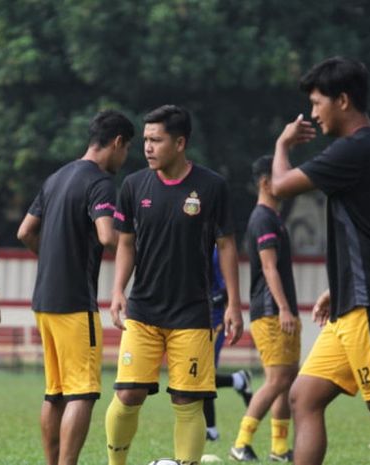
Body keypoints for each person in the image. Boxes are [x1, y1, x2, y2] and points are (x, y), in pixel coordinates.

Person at [270, 57, 370, 465]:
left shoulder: (357, 149)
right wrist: (335, 286)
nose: (313, 114)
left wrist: (282, 144)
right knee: (303, 396)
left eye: (318, 102)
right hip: (352, 301)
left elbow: (281, 186)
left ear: (342, 100)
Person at [105, 105, 243, 465]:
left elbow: (227, 245)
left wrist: (233, 304)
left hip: (193, 313)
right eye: (146, 139)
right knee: (128, 394)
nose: (147, 147)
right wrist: (118, 290)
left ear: (180, 142)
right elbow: (125, 243)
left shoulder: (212, 187)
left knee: (187, 400)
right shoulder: (134, 185)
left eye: (156, 140)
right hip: (143, 310)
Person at [17, 109, 134, 465]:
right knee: (82, 392)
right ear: (116, 143)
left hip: (44, 300)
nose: (125, 157)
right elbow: (106, 235)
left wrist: (53, 256)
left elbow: (24, 232)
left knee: (54, 392)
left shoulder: (56, 178)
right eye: (127, 148)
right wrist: (137, 248)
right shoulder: (99, 182)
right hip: (74, 302)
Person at [229, 155, 300, 463]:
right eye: (280, 176)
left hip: (281, 310)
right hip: (271, 310)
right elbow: (269, 268)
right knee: (277, 381)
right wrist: (284, 308)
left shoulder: (274, 217)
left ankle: (280, 448)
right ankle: (241, 443)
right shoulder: (263, 219)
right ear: (265, 183)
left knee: (286, 381)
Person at [204, 247, 253, 443]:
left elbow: (225, 292)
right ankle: (238, 380)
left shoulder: (215, 252)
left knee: (203, 375)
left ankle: (211, 431)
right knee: (196, 375)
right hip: (193, 319)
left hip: (214, 320)